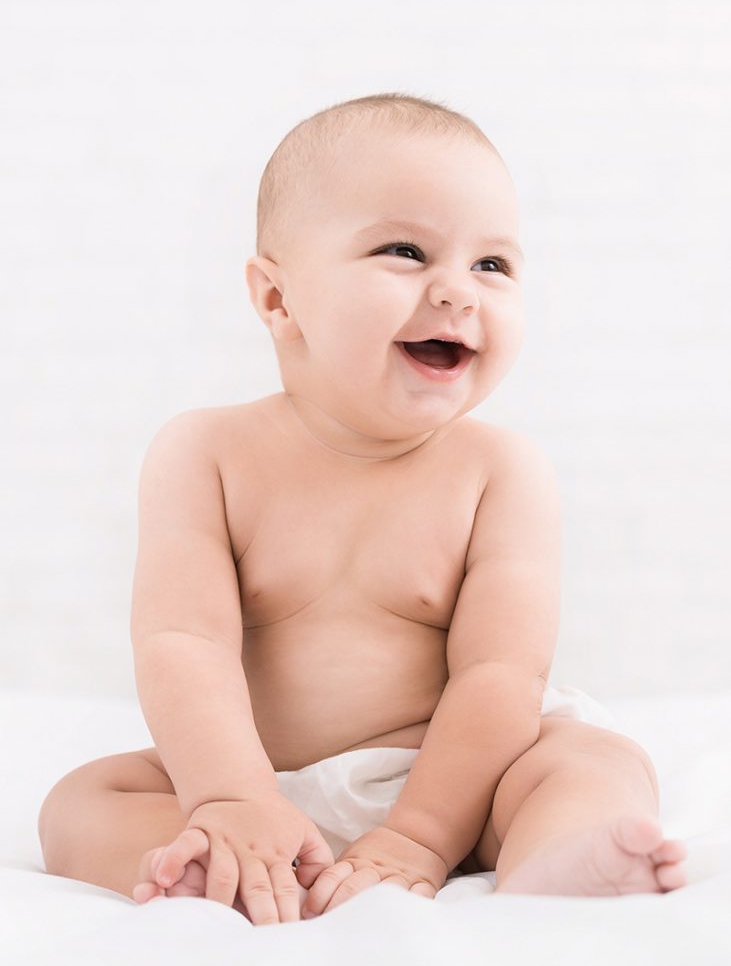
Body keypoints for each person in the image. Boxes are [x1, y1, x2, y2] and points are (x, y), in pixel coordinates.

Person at [38, 92, 688, 926]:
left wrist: (418, 835)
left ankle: (561, 860)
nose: (459, 290)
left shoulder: (499, 472)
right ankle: (214, 864)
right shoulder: (204, 454)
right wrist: (230, 798)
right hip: (253, 775)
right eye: (406, 250)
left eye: (493, 265)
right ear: (278, 300)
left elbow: (500, 677)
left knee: (592, 762)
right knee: (81, 801)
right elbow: (183, 643)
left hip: (452, 778)